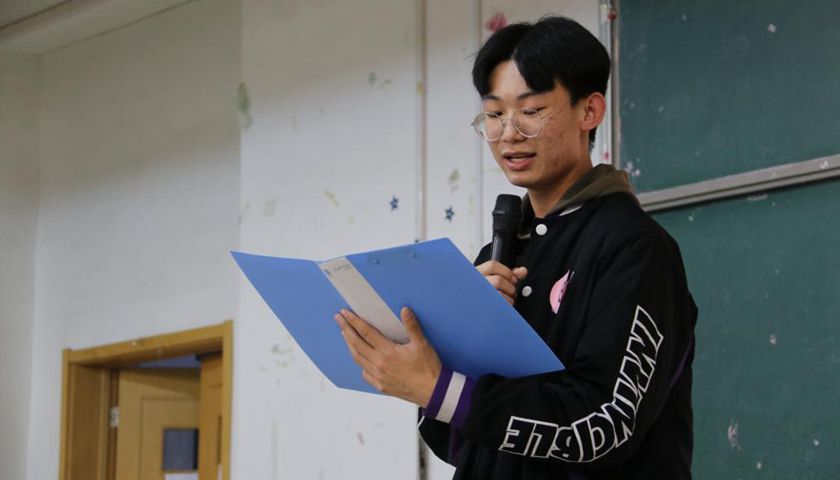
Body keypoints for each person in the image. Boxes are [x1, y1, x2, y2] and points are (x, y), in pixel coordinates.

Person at [335, 16, 697, 479]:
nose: (508, 133)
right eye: (494, 114)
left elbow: (604, 425)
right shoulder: (498, 253)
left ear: (590, 111)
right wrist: (451, 347)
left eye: (530, 111)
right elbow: (455, 443)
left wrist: (441, 388)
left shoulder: (635, 247)